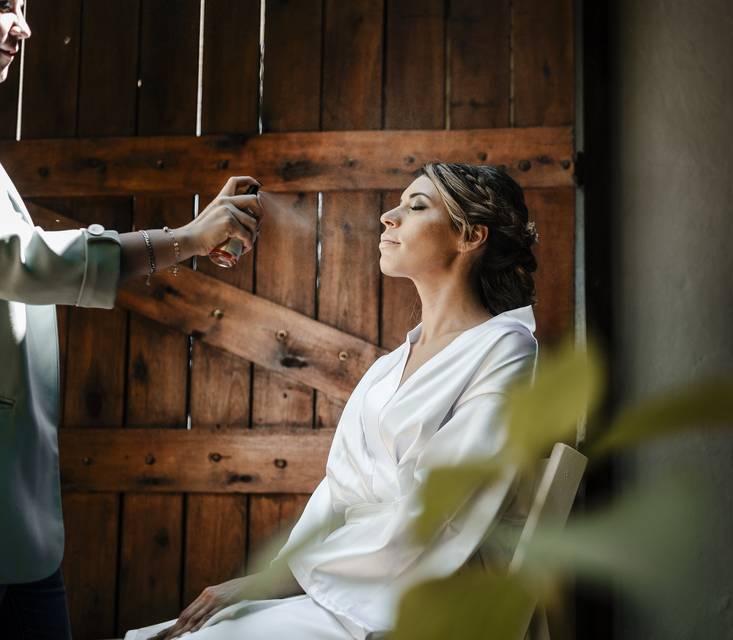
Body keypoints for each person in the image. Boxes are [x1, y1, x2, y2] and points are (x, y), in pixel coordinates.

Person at [126, 163, 541, 640]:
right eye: (398, 203)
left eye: (416, 206)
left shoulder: (504, 347)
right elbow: (335, 493)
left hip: (417, 596)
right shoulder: (388, 367)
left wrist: (284, 578)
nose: (389, 216)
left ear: (470, 237)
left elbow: (441, 507)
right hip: (346, 582)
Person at [0, 3, 266, 636]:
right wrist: (188, 238)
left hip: (21, 527)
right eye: (2, 6)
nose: (22, 27)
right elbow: (21, 262)